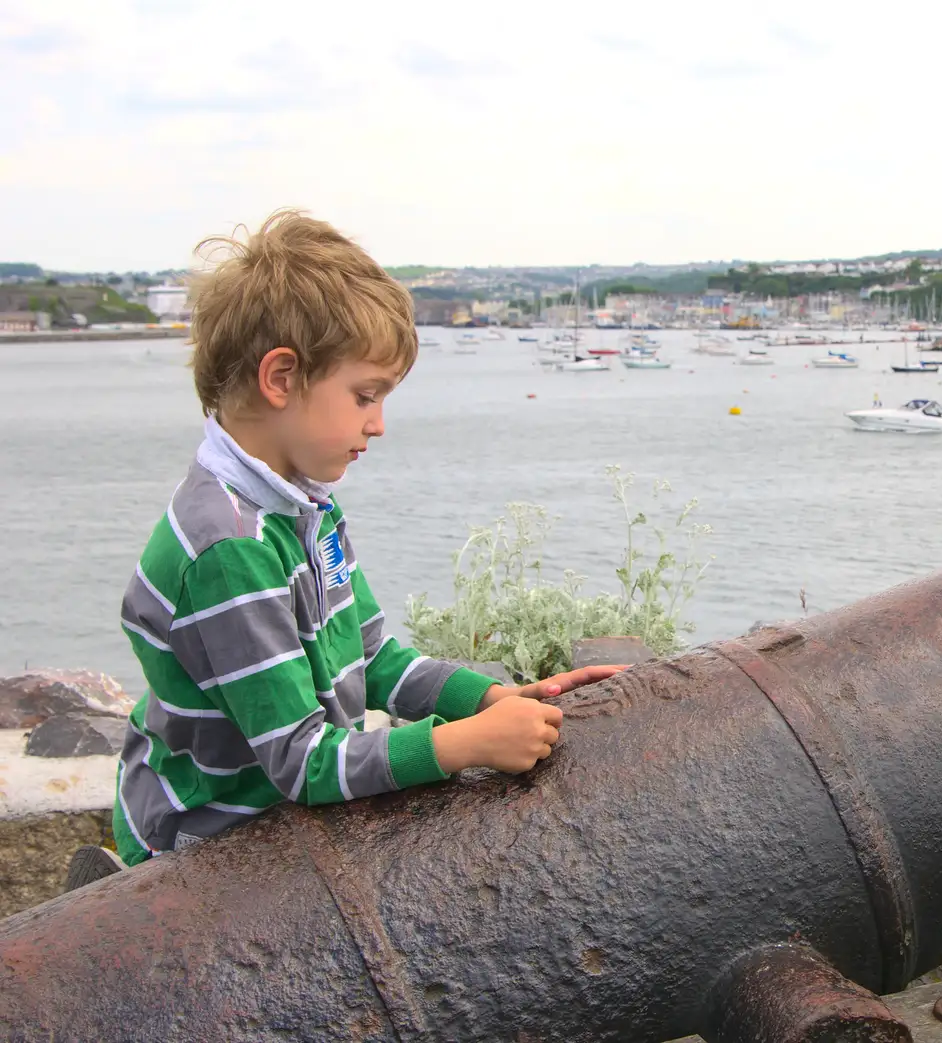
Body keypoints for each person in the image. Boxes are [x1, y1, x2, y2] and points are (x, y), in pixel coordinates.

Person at [76, 210, 624, 884]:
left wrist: (485, 700)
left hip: (273, 806)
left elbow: (372, 658)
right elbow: (303, 762)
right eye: (365, 396)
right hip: (207, 832)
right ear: (281, 378)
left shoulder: (303, 503)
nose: (380, 424)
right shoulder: (228, 549)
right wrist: (460, 746)